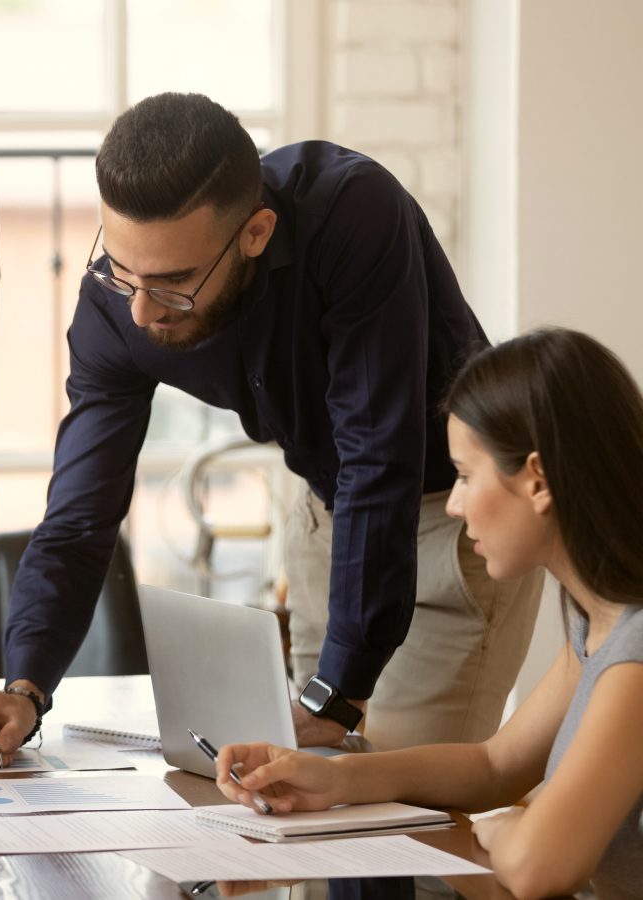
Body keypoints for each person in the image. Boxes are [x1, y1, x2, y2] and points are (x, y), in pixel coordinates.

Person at [0, 92, 543, 764]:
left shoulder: (353, 214)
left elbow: (379, 457)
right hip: (328, 519)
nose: (141, 312)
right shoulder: (116, 305)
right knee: (314, 805)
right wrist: (26, 686)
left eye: (174, 282)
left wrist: (337, 694)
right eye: (122, 268)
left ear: (255, 233)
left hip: (458, 528)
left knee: (406, 810)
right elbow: (79, 517)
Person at [213, 328, 643, 900]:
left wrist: (513, 826)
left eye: (465, 475)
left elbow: (541, 867)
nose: (456, 504)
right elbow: (496, 766)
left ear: (537, 480)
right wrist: (332, 780)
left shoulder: (634, 650)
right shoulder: (597, 620)